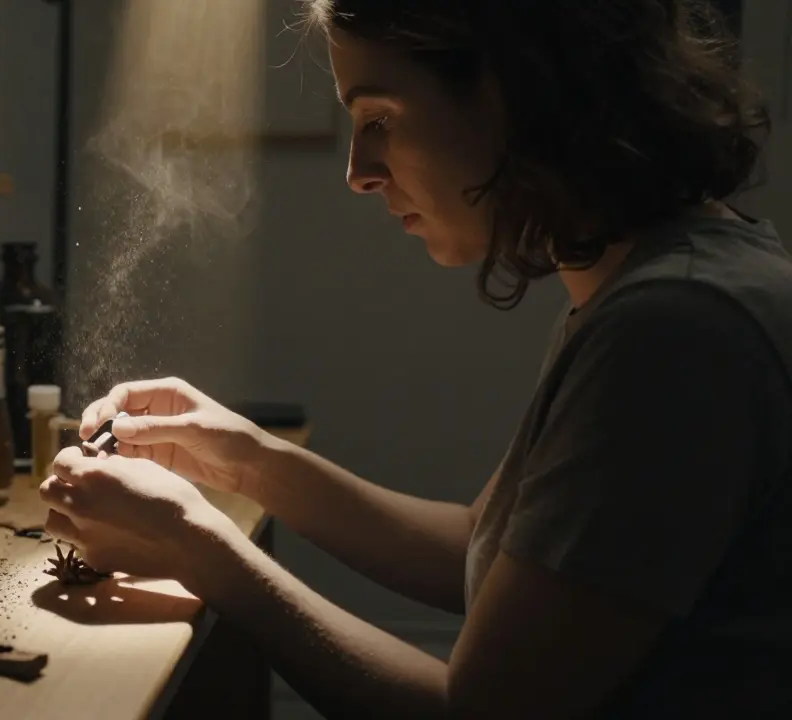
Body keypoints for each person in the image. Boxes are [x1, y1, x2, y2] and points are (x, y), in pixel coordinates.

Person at [41, 0, 792, 717]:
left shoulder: (677, 329)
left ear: (519, 89)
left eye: (378, 119)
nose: (359, 172)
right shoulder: (649, 288)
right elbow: (480, 551)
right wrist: (243, 458)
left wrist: (197, 547)